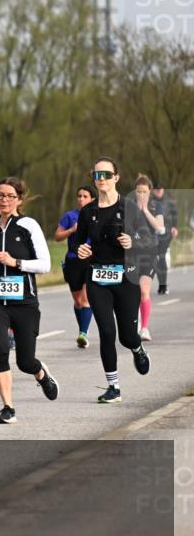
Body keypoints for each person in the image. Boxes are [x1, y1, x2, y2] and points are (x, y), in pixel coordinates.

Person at [0, 178, 58, 424]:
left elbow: (45, 264)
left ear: (19, 200)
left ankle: (41, 374)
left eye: (10, 196)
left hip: (24, 302)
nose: (4, 200)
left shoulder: (28, 225)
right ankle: (8, 407)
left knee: (24, 361)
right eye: (0, 195)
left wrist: (16, 262)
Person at [75, 157, 153, 403]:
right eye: (97, 175)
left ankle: (137, 348)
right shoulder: (88, 211)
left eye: (106, 175)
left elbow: (148, 241)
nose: (101, 179)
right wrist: (80, 249)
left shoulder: (130, 207)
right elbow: (76, 241)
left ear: (116, 178)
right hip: (97, 277)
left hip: (125, 277)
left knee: (127, 336)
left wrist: (133, 242)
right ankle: (113, 387)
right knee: (107, 332)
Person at [55, 185, 96, 349]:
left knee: (86, 299)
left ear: (92, 199)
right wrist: (72, 230)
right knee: (78, 301)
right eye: (79, 196)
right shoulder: (69, 216)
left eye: (85, 196)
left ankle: (83, 333)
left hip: (91, 260)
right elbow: (57, 236)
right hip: (73, 261)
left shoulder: (97, 216)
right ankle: (82, 330)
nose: (81, 199)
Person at [131, 175, 165, 342]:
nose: (141, 195)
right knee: (132, 293)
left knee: (144, 291)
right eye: (138, 191)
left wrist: (145, 211)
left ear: (150, 192)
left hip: (149, 254)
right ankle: (133, 325)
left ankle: (144, 328)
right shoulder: (128, 207)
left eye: (144, 191)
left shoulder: (155, 206)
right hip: (131, 254)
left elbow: (160, 228)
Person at [151, 181, 179, 295]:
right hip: (153, 234)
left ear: (163, 190)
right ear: (153, 190)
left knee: (161, 257)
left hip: (166, 233)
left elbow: (175, 214)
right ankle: (161, 285)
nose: (158, 191)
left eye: (160, 189)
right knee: (157, 259)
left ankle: (164, 285)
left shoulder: (169, 201)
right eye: (156, 190)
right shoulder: (150, 202)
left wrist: (174, 227)